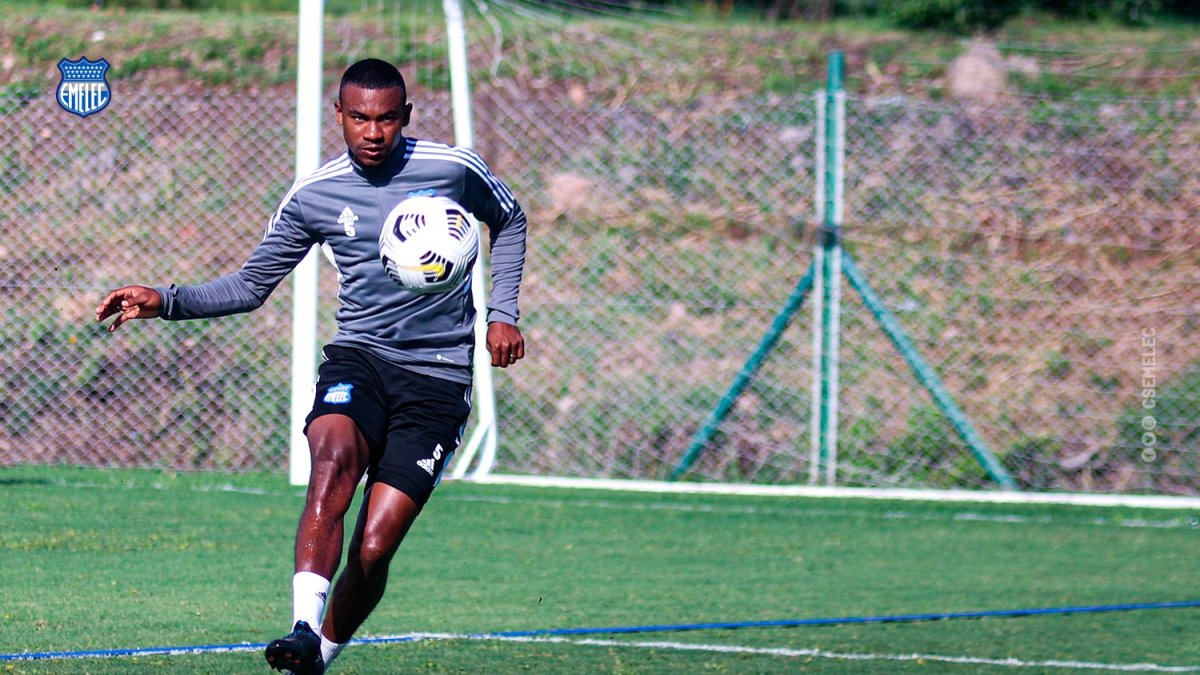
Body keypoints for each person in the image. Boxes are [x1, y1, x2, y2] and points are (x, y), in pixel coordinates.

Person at [94, 58, 527, 674]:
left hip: (438, 377)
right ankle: (301, 626)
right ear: (340, 117)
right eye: (359, 119)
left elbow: (509, 219)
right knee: (332, 459)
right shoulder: (315, 194)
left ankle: (320, 653)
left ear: (405, 116)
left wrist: (501, 313)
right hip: (361, 357)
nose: (372, 133)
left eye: (385, 119)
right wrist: (164, 301)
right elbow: (250, 285)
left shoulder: (453, 170)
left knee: (374, 549)